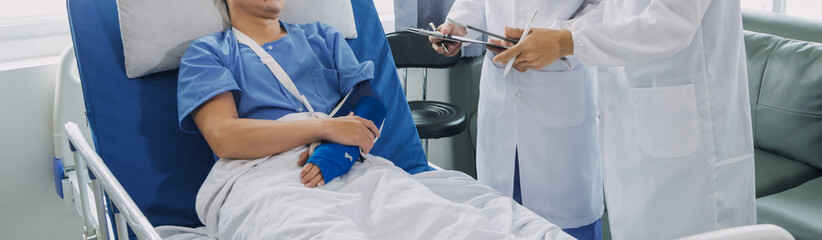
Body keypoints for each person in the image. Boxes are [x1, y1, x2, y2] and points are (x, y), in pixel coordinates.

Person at [175, 0, 577, 238]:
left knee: (450, 224)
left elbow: (371, 106)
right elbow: (224, 136)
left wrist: (339, 151)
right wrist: (325, 127)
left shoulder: (321, 36)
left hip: (350, 166)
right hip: (265, 176)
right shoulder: (209, 52)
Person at [491, 0, 757, 239]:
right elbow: (616, 12)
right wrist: (554, 32)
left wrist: (567, 41)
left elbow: (671, 22)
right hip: (637, 129)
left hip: (691, 146)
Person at [430, 1, 604, 239]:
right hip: (501, 96)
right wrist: (458, 27)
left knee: (568, 228)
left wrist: (561, 39)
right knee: (500, 220)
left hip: (560, 88)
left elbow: (606, 8)